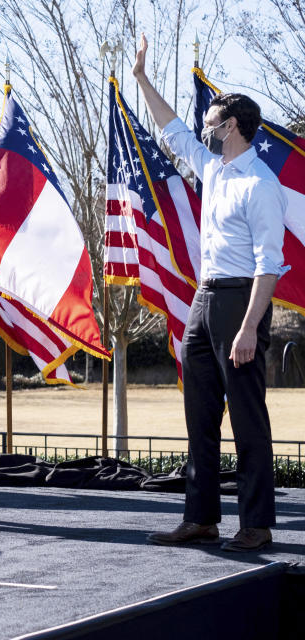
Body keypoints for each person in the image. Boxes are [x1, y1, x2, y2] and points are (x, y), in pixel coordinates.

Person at [133, 35, 285, 552]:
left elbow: (270, 264)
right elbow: (172, 131)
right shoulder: (215, 168)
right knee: (199, 412)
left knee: (247, 417)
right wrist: (141, 80)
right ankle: (200, 517)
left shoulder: (260, 184)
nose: (205, 128)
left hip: (242, 301)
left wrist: (247, 327)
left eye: (213, 122)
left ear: (234, 127)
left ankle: (257, 524)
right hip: (204, 298)